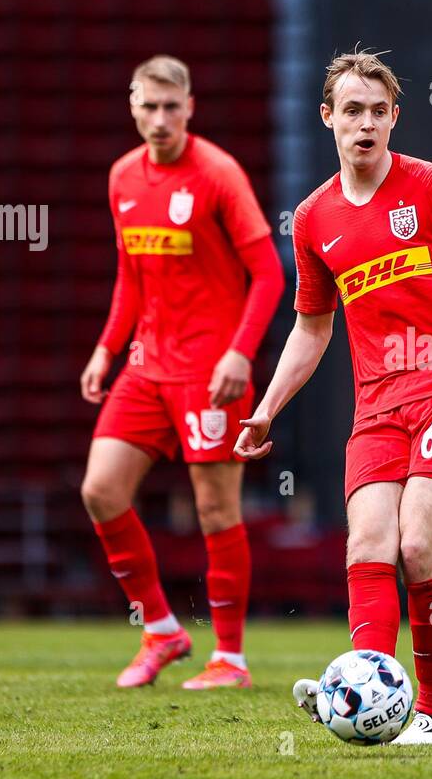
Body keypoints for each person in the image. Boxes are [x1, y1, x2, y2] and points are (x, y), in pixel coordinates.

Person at [235, 50, 432, 744]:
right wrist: (267, 407)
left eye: (378, 111)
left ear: (394, 117)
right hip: (377, 406)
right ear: (327, 119)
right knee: (367, 544)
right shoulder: (313, 219)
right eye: (351, 111)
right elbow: (312, 329)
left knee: (417, 544)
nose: (365, 123)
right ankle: (359, 691)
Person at [79, 55, 284, 689]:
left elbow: (271, 275)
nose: (161, 118)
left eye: (173, 107)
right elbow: (130, 278)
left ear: (190, 107)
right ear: (132, 107)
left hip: (211, 369)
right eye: (149, 106)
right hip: (146, 364)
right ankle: (162, 630)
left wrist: (240, 352)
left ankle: (231, 659)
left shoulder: (218, 174)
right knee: (100, 490)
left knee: (215, 510)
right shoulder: (122, 178)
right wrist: (106, 349)